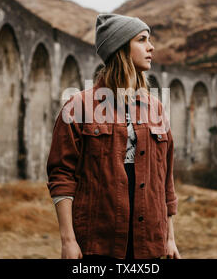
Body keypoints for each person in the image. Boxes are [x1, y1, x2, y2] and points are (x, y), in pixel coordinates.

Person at [46, 13, 181, 259]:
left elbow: (165, 179)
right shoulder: (79, 107)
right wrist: (68, 240)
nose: (151, 47)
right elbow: (61, 176)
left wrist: (170, 238)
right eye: (142, 40)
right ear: (120, 48)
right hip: (98, 245)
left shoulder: (156, 109)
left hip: (149, 246)